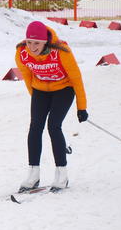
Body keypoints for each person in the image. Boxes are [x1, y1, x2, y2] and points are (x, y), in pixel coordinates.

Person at [15, 21, 88, 192]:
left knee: (53, 126)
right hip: (40, 90)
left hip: (64, 89)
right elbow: (27, 77)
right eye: (29, 42)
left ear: (45, 42)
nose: (32, 47)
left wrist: (82, 107)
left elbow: (76, 79)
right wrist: (37, 100)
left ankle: (62, 175)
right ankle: (33, 174)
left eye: (37, 43)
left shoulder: (61, 51)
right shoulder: (21, 52)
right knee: (35, 127)